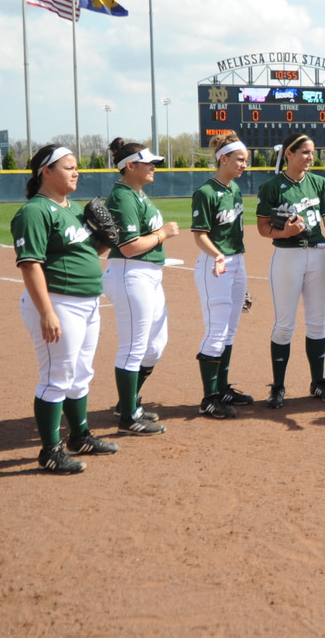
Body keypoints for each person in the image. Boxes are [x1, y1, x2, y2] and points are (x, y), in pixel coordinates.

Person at [11, 145, 119, 473]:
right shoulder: (35, 211)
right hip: (58, 302)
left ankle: (80, 436)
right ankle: (50, 451)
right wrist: (46, 312)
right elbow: (30, 265)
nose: (76, 172)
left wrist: (105, 238)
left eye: (76, 167)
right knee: (56, 377)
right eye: (68, 167)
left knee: (81, 373)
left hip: (87, 303)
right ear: (46, 171)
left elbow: (87, 253)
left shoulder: (73, 210)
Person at [257, 134, 325, 408]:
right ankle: (277, 386)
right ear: (289, 153)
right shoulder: (273, 187)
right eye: (304, 152)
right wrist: (284, 231)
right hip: (287, 256)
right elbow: (263, 227)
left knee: (317, 322)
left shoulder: (319, 183)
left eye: (312, 153)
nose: (310, 157)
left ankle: (318, 382)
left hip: (317, 256)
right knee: (285, 325)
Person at [102, 139, 178, 435]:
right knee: (133, 348)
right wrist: (163, 233)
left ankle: (127, 402)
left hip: (148, 276)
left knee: (155, 346)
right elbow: (131, 247)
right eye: (148, 163)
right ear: (129, 166)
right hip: (130, 274)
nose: (153, 167)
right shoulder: (122, 197)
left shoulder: (137, 194)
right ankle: (128, 417)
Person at [191, 132, 254, 419]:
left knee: (230, 331)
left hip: (236, 262)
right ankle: (209, 398)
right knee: (216, 331)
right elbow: (200, 235)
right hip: (214, 264)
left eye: (246, 160)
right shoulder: (205, 192)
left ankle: (223, 388)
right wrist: (217, 255)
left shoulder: (234, 190)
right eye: (240, 159)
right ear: (223, 159)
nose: (244, 165)